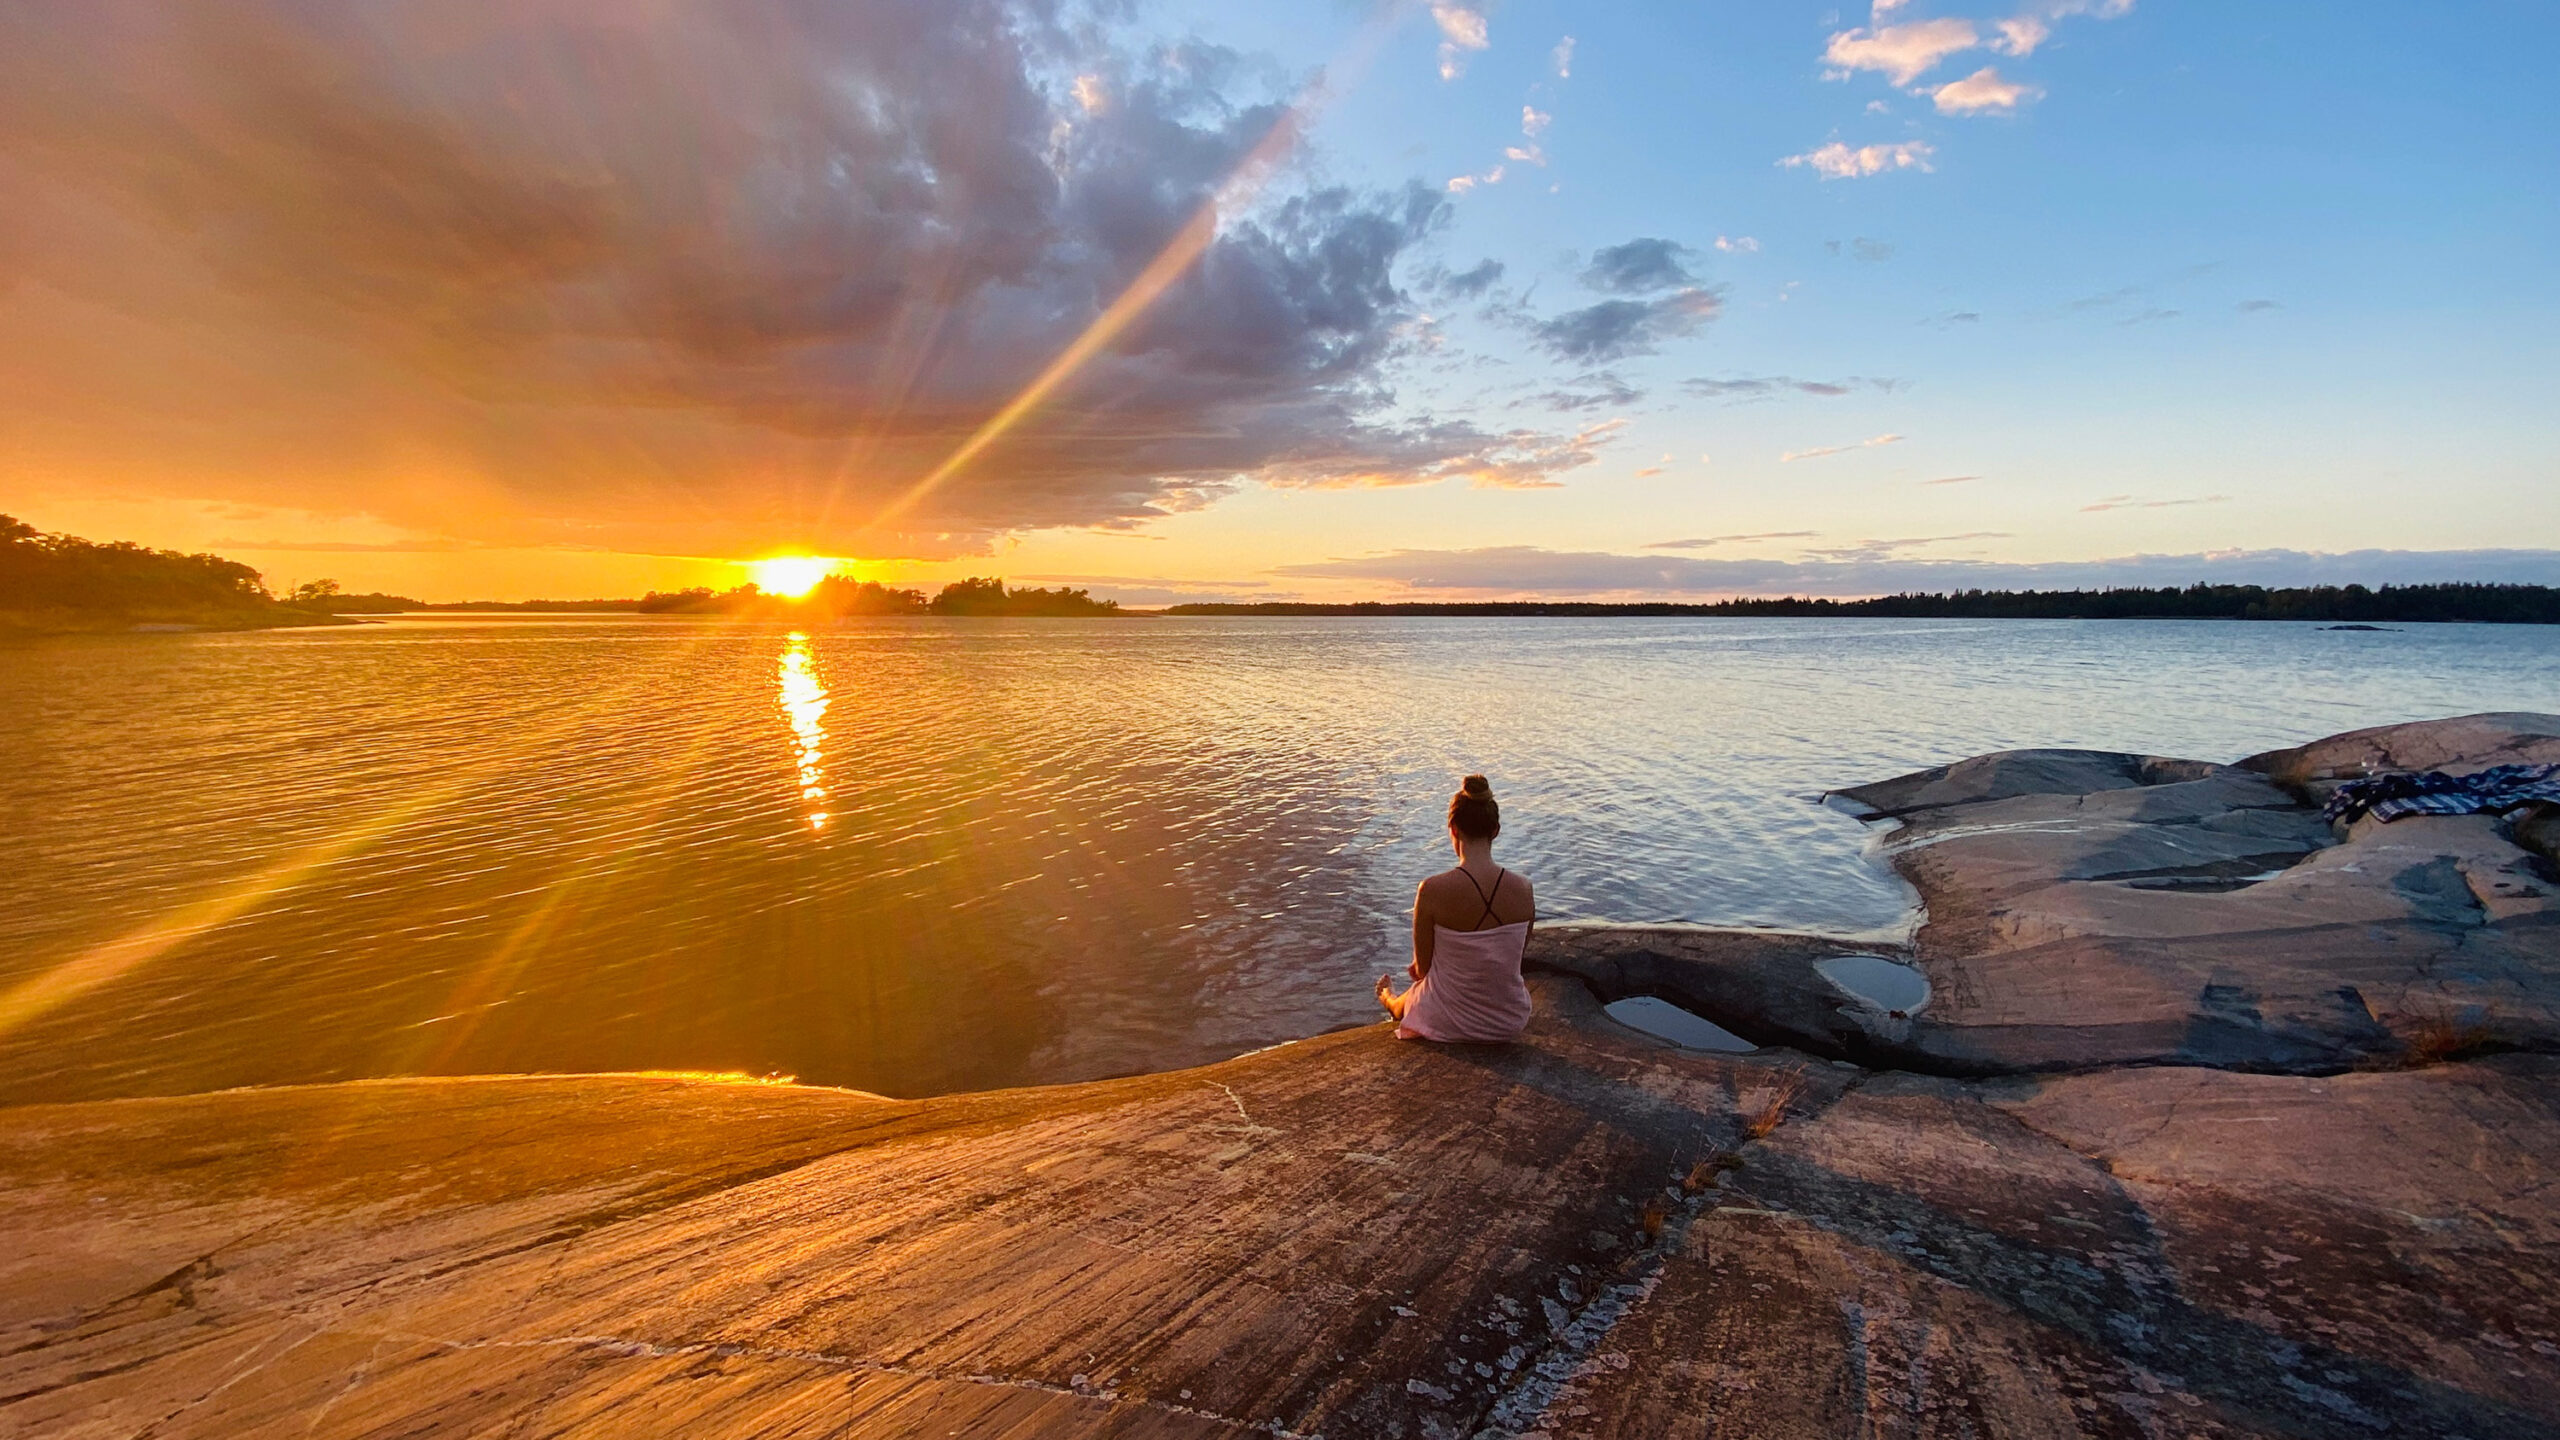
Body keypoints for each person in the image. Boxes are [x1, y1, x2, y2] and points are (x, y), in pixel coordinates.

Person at [1376, 774, 1536, 1042]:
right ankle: (1396, 1001)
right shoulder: (1524, 889)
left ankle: (1391, 1001)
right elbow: (1513, 960)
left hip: (1447, 1020)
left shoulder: (1431, 890)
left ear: (1453, 829)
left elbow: (1423, 971)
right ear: (1495, 830)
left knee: (1422, 988)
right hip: (1508, 1020)